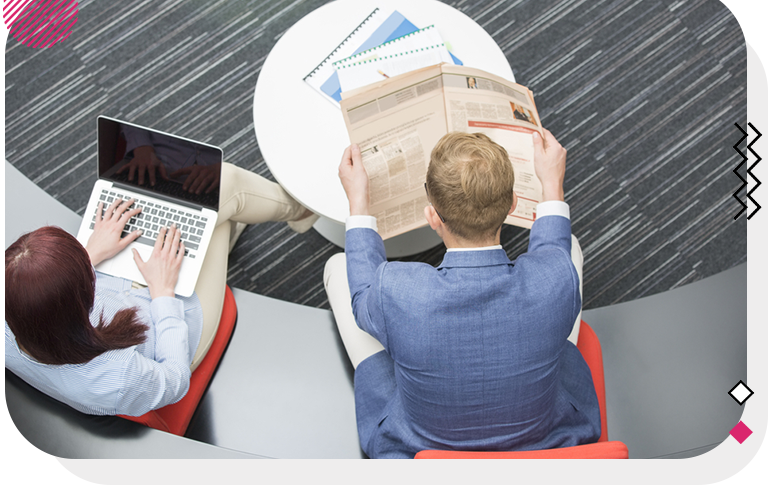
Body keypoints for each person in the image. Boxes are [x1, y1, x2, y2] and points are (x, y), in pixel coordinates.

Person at [323, 130, 600, 458]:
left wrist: (358, 203)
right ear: (512, 204)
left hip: (419, 448)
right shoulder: (554, 280)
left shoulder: (397, 290)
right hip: (547, 444)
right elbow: (553, 253)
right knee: (569, 253)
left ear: (432, 217)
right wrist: (552, 184)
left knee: (340, 267)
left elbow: (363, 299)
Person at [3, 163, 317, 417]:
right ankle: (304, 211)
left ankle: (224, 234)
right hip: (174, 325)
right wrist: (164, 293)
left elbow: (49, 303)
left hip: (127, 288)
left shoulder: (22, 307)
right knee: (224, 189)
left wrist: (91, 252)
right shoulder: (118, 377)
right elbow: (175, 380)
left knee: (192, 207)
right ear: (81, 298)